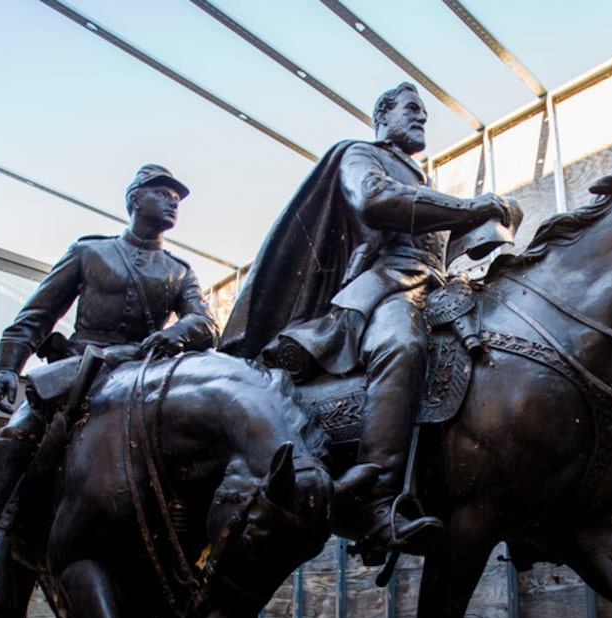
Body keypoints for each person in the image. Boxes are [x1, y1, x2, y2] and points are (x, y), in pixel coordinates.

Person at [219, 83, 515, 557]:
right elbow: (374, 201)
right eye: (412, 110)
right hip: (386, 285)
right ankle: (379, 505)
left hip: (436, 285)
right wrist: (467, 207)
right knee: (403, 345)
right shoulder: (360, 154)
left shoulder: (423, 178)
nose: (421, 119)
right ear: (382, 114)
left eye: (424, 113)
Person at [0, 164, 216, 608]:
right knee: (9, 442)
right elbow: (37, 314)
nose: (172, 202)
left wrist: (177, 332)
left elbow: (204, 320)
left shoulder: (180, 271)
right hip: (80, 370)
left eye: (177, 199)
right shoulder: (91, 253)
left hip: (141, 373)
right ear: (134, 200)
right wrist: (9, 365)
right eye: (162, 193)